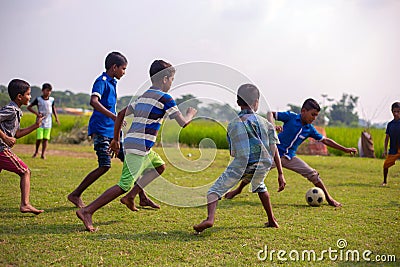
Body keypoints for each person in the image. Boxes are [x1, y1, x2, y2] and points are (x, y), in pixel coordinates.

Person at [76, 59, 197, 232]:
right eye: (171, 80)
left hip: (138, 144)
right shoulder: (166, 98)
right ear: (165, 79)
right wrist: (190, 114)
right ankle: (87, 211)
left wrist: (116, 139)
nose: (171, 83)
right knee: (124, 184)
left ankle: (133, 197)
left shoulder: (144, 95)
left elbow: (120, 114)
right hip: (139, 147)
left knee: (159, 166)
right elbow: (183, 123)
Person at [225, 98, 358, 207]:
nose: (314, 118)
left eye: (316, 115)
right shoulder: (291, 117)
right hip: (273, 154)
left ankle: (329, 199)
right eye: (313, 114)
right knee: (254, 172)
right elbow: (270, 113)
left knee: (313, 174)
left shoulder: (309, 129)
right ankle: (237, 190)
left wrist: (345, 149)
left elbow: (326, 141)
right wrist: (271, 126)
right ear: (303, 111)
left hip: (290, 158)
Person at [193, 84, 286, 233]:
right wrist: (280, 174)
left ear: (237, 102)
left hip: (241, 163)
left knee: (214, 191)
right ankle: (272, 219)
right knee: (261, 187)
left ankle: (210, 219)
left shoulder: (232, 125)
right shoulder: (266, 124)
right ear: (256, 102)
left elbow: (233, 153)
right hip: (262, 164)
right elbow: (274, 149)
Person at [0, 79, 44, 214]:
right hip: (1, 149)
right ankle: (25, 204)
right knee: (25, 171)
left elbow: (17, 134)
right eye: (28, 94)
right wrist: (5, 137)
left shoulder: (17, 111)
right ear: (20, 97)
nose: (30, 97)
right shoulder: (11, 110)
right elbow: (9, 136)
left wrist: (35, 126)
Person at [27, 82, 60, 159]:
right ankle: (36, 152)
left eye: (49, 91)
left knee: (45, 139)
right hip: (40, 121)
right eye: (47, 90)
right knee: (39, 138)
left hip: (48, 121)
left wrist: (56, 117)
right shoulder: (38, 99)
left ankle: (43, 154)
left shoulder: (52, 100)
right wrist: (36, 113)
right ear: (43, 90)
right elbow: (29, 107)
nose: (48, 92)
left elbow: (53, 108)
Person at [382, 102, 400, 186]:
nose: (396, 113)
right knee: (385, 165)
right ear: (392, 111)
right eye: (394, 111)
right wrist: (385, 150)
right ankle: (385, 181)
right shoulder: (390, 124)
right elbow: (387, 138)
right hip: (393, 149)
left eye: (398, 111)